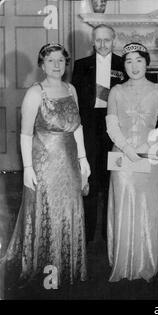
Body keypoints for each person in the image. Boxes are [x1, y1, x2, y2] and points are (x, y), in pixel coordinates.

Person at [1, 43, 90, 287]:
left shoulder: (71, 89)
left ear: (66, 63)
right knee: (48, 209)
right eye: (50, 60)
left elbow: (78, 126)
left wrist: (83, 160)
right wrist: (27, 168)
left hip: (70, 162)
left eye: (61, 60)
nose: (56, 65)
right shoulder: (35, 92)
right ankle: (44, 268)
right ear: (42, 64)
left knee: (70, 208)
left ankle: (67, 264)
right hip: (44, 163)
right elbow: (26, 134)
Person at [106, 42, 158, 282]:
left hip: (150, 155)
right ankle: (122, 262)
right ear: (123, 65)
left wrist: (146, 146)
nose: (134, 66)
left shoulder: (157, 90)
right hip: (122, 157)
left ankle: (146, 262)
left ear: (146, 63)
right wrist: (128, 148)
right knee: (123, 205)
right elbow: (111, 125)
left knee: (147, 207)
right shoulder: (116, 91)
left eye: (139, 60)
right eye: (129, 61)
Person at [71, 24, 125, 244]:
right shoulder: (81, 65)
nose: (103, 44)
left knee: (112, 180)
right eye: (98, 40)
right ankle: (88, 233)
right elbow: (75, 101)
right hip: (90, 129)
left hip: (115, 129)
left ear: (114, 40)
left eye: (107, 40)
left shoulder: (124, 64)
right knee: (90, 180)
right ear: (92, 42)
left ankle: (109, 232)